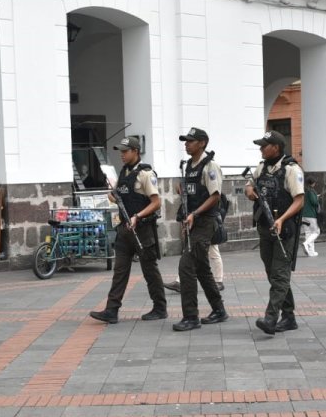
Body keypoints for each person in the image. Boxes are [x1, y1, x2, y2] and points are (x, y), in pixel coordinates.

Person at [89, 136, 168, 324]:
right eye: (121, 152)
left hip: (142, 229)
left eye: (125, 151)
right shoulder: (123, 172)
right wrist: (113, 196)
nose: (122, 155)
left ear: (135, 151)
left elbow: (156, 202)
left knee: (149, 270)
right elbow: (118, 195)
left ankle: (160, 307)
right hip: (125, 229)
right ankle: (111, 310)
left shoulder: (146, 174)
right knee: (120, 271)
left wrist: (138, 216)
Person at [245, 130, 304, 335]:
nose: (261, 149)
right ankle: (289, 317)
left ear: (276, 148)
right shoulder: (262, 167)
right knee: (273, 273)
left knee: (279, 274)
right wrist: (250, 192)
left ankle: (271, 318)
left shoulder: (291, 170)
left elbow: (299, 199)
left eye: (264, 145)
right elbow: (249, 186)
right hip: (264, 227)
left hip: (284, 230)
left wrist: (281, 219)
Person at [171, 128, 228, 332]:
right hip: (193, 221)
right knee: (202, 269)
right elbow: (190, 192)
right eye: (185, 141)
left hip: (205, 222)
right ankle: (219, 310)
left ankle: (191, 317)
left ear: (202, 143)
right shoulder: (188, 166)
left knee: (186, 266)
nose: (186, 144)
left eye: (191, 141)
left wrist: (195, 214)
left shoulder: (210, 166)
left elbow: (215, 196)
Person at [301, 180, 321, 256]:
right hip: (311, 215)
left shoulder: (303, 191)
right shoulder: (311, 191)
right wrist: (317, 198)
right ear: (313, 183)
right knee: (316, 232)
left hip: (303, 214)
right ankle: (306, 243)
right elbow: (314, 202)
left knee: (308, 232)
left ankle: (311, 251)